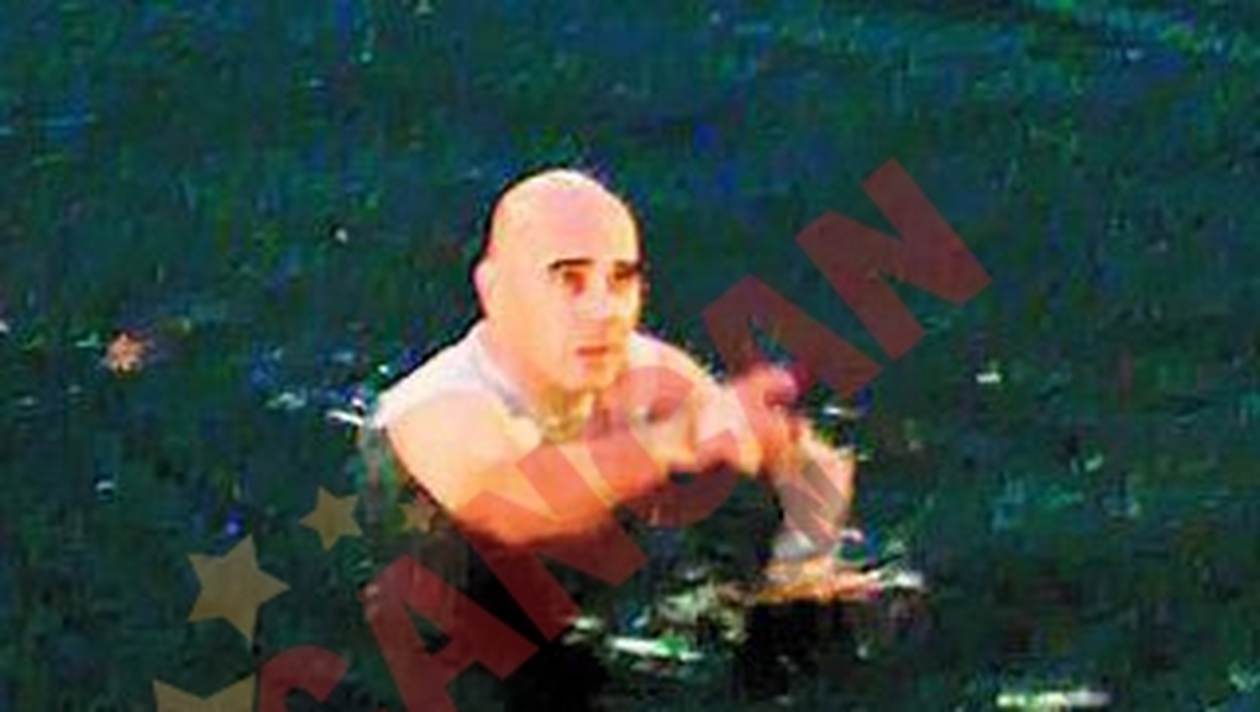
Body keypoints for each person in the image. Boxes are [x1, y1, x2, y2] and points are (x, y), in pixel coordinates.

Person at [367, 168, 882, 709]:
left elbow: (801, 456)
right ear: (494, 291)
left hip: (581, 583)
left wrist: (803, 564)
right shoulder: (436, 406)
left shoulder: (643, 371)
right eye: (569, 279)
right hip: (455, 596)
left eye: (621, 280)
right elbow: (511, 504)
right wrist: (674, 441)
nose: (605, 310)